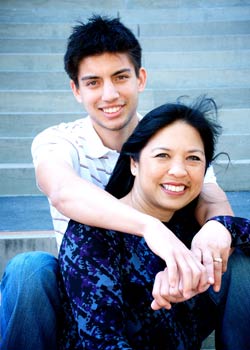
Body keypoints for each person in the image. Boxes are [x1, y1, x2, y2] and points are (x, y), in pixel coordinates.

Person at [0, 15, 241, 350]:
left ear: (140, 78)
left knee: (238, 261)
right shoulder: (58, 140)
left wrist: (218, 230)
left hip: (168, 284)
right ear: (76, 89)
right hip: (86, 286)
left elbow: (212, 201)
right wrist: (152, 228)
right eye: (93, 82)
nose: (109, 94)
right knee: (30, 269)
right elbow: (62, 190)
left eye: (120, 77)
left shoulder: (171, 137)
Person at [59, 97, 250, 349]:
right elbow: (103, 343)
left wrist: (222, 226)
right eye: (163, 155)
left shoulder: (189, 223)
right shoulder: (93, 233)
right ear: (134, 163)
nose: (179, 171)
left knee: (240, 262)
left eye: (193, 158)